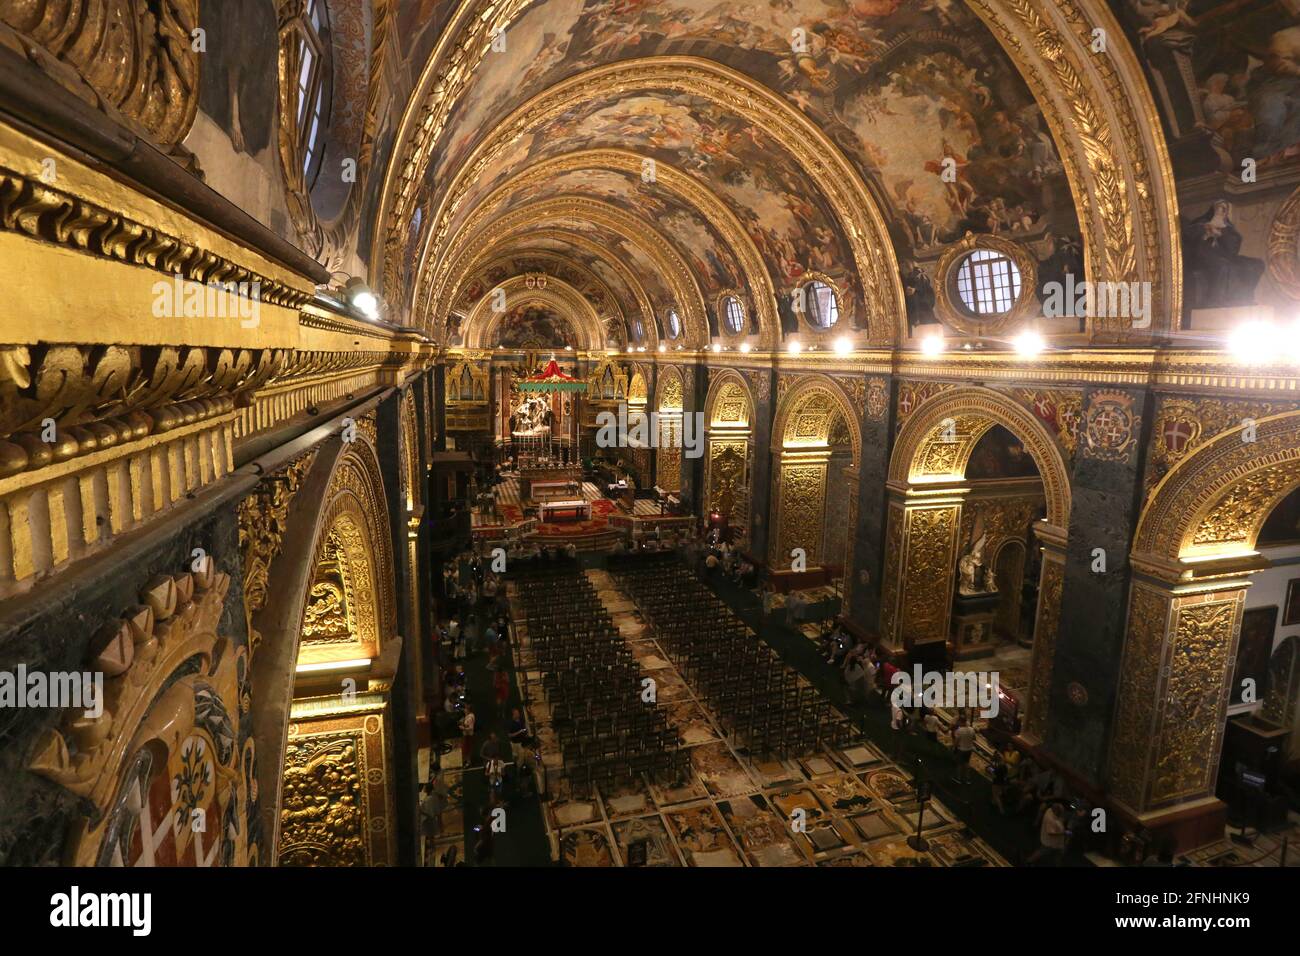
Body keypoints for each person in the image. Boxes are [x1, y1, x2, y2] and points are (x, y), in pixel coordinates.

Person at [1028, 800, 1068, 866]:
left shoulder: (1049, 810)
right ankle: (1028, 861)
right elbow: (1051, 832)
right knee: (1042, 851)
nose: (1063, 813)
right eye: (1061, 812)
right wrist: (1064, 833)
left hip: (1057, 842)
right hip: (1050, 842)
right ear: (1057, 811)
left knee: (1058, 854)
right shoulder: (1051, 820)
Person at [951, 717, 976, 784]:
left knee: (959, 764)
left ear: (961, 722)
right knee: (967, 763)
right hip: (969, 749)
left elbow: (956, 741)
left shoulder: (959, 731)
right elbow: (974, 738)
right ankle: (968, 779)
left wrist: (954, 747)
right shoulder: (972, 729)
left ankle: (958, 778)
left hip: (961, 749)